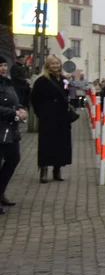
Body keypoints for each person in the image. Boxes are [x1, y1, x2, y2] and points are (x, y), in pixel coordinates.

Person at [29, 55, 73, 184]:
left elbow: (66, 95)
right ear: (48, 65)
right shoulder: (42, 80)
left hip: (62, 116)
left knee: (61, 143)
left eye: (57, 63)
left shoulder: (64, 80)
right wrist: (41, 113)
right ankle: (43, 170)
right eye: (53, 64)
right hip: (48, 117)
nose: (55, 66)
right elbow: (34, 99)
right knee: (46, 143)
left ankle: (57, 169)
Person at [0, 55, 27, 214]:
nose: (3, 68)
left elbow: (14, 100)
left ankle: (1, 192)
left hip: (10, 129)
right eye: (0, 65)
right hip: (2, 127)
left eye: (4, 65)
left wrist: (21, 109)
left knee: (13, 159)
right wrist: (13, 112)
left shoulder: (7, 82)